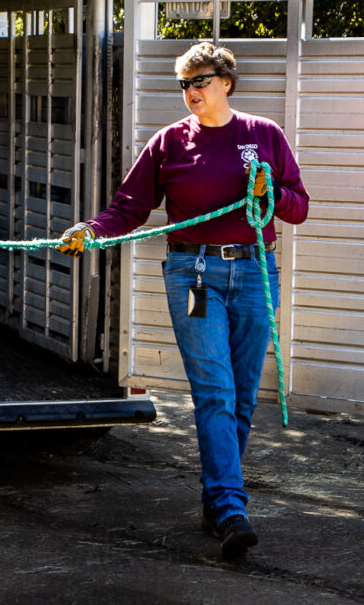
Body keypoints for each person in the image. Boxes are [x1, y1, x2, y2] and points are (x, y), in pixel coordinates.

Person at [57, 42, 309, 559]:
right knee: (215, 391)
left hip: (255, 272)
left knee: (241, 396)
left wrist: (272, 195)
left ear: (226, 82)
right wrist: (91, 230)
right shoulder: (170, 142)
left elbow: (299, 207)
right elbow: (129, 207)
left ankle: (217, 498)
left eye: (201, 81)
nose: (191, 91)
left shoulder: (264, 135)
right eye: (185, 84)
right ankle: (232, 508)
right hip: (193, 274)